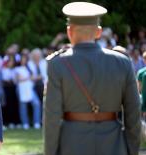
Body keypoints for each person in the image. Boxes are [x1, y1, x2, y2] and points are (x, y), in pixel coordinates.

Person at [44, 2, 140, 155]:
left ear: (69, 32)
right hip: (113, 144)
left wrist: (50, 152)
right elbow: (133, 113)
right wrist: (131, 150)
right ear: (98, 32)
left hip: (72, 144)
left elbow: (52, 118)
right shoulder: (122, 62)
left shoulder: (58, 64)